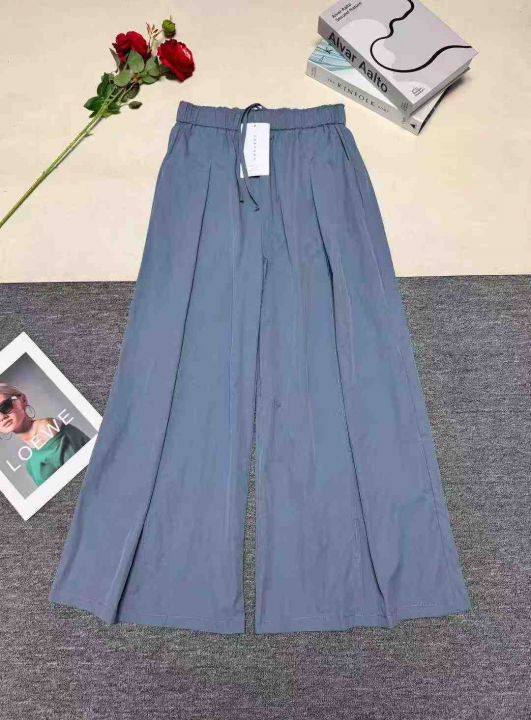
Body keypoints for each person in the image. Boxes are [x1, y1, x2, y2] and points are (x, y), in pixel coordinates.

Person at [0, 382, 90, 486]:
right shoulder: (30, 464)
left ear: (22, 400)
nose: (1, 417)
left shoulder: (48, 429)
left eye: (5, 406)